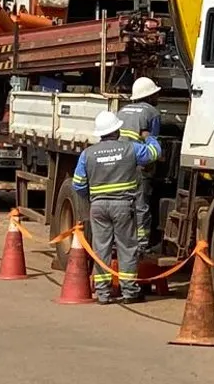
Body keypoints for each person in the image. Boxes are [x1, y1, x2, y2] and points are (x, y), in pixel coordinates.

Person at [72, 110, 161, 304]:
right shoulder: (131, 148)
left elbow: (78, 183)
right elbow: (155, 153)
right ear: (117, 130)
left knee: (101, 248)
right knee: (127, 248)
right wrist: (149, 137)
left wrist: (93, 197)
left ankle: (103, 294)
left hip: (98, 207)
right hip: (123, 206)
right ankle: (129, 292)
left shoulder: (88, 154)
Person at [116, 77, 162, 255]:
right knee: (141, 204)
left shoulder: (122, 110)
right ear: (150, 96)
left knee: (122, 202)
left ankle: (119, 238)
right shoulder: (152, 112)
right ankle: (142, 243)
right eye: (155, 93)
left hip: (119, 162)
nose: (157, 96)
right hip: (138, 164)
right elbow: (153, 142)